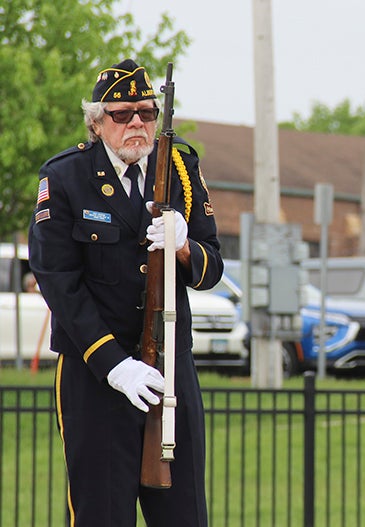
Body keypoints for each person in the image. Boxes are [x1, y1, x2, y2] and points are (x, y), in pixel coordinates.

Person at [28, 58, 222, 527]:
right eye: (121, 114)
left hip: (170, 371)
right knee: (102, 516)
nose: (137, 122)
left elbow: (211, 266)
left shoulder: (180, 168)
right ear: (97, 123)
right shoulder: (66, 178)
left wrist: (183, 247)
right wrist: (115, 365)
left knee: (184, 516)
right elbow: (59, 282)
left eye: (147, 112)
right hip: (97, 375)